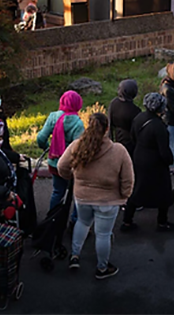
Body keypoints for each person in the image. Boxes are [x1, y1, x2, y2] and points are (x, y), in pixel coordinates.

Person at [57, 113, 133, 279]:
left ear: (87, 126)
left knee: (82, 223)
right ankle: (102, 268)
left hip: (82, 197)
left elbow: (61, 166)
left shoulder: (77, 146)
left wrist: (72, 177)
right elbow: (128, 178)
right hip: (108, 200)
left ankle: (74, 256)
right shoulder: (119, 151)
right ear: (107, 128)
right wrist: (124, 195)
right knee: (103, 234)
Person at [120, 93, 174, 232]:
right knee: (164, 192)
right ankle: (162, 222)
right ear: (161, 108)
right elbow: (164, 151)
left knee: (137, 188)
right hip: (155, 162)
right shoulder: (159, 126)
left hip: (139, 156)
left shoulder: (139, 118)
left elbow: (133, 136)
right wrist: (170, 160)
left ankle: (127, 221)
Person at [37, 91, 85, 216]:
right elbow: (78, 148)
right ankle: (75, 221)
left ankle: (52, 219)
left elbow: (41, 138)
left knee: (57, 192)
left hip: (54, 162)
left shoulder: (53, 117)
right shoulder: (78, 123)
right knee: (77, 193)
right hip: (71, 165)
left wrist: (49, 148)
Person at [108, 79, 141, 157]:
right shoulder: (135, 110)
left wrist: (110, 139)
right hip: (130, 142)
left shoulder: (114, 103)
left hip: (116, 137)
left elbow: (109, 122)